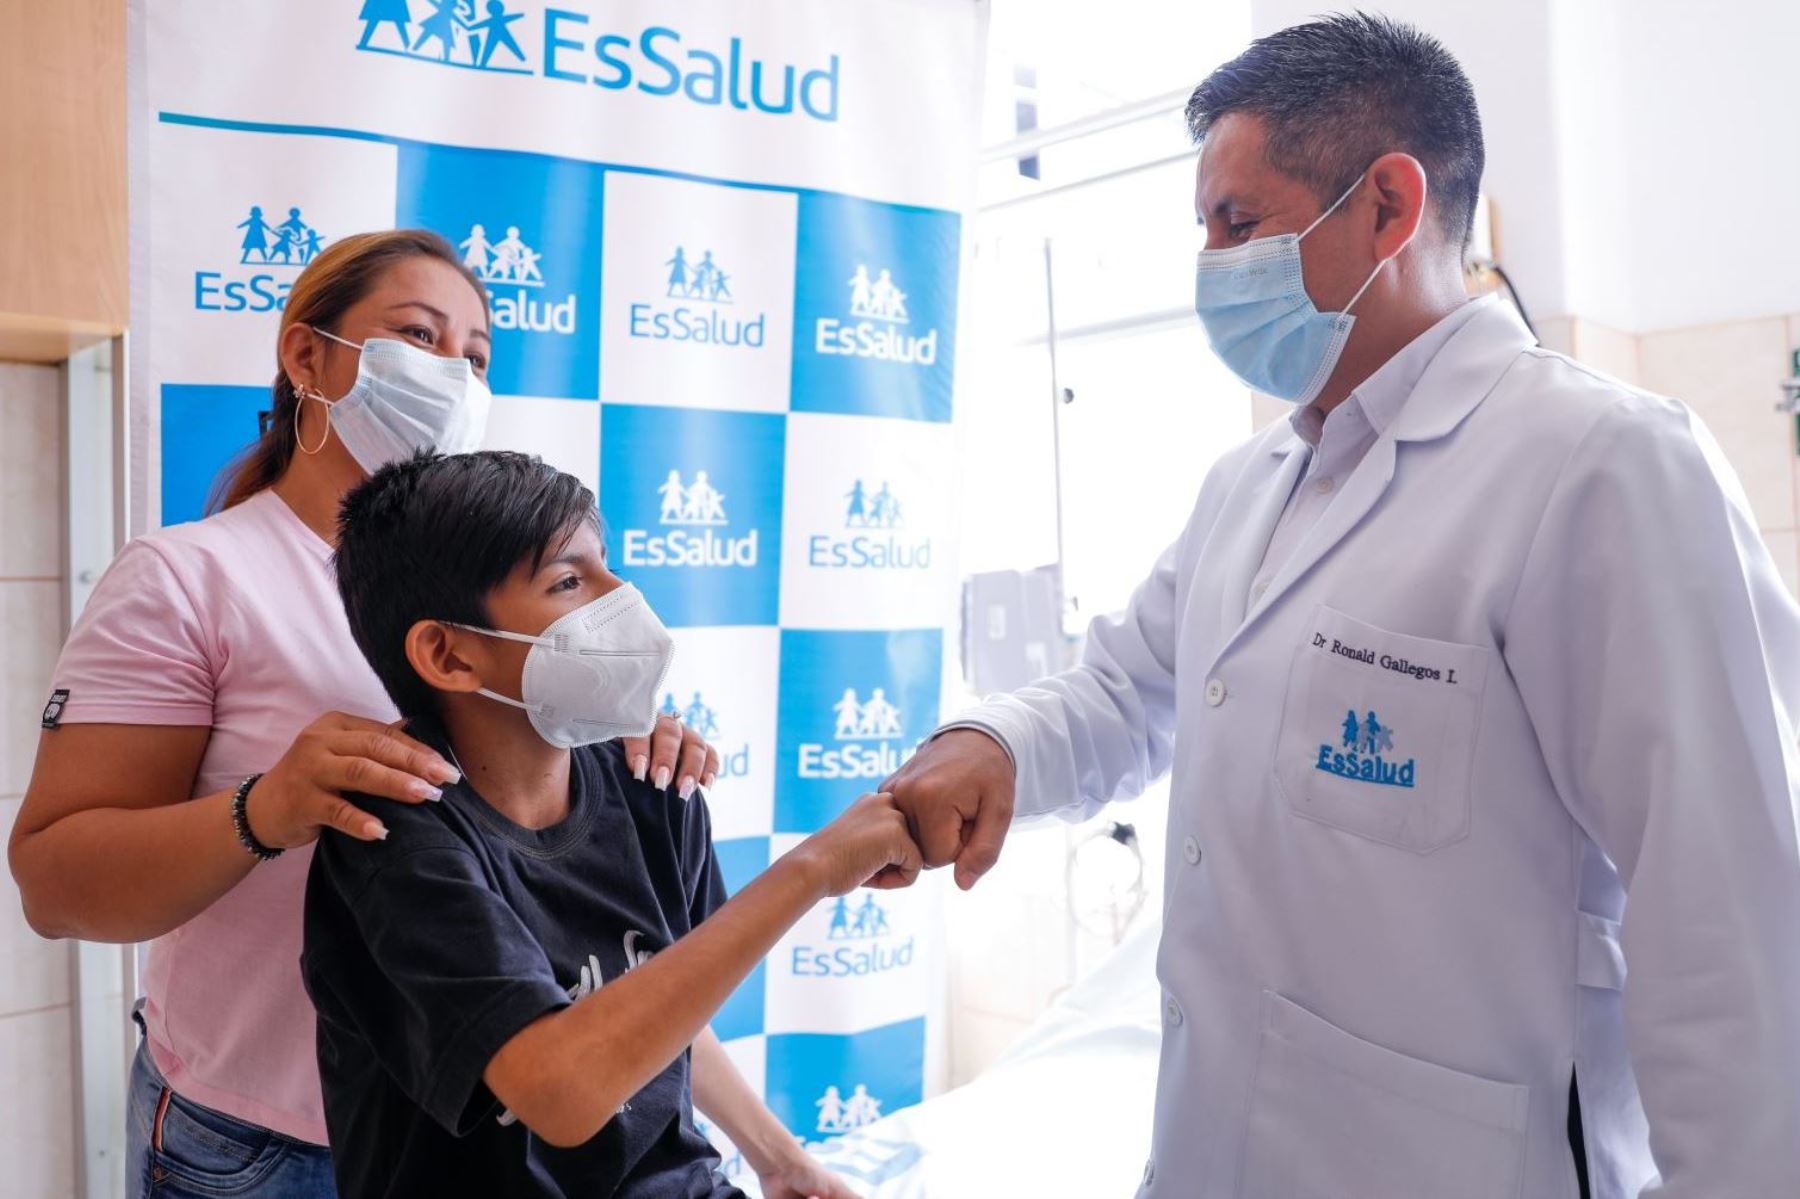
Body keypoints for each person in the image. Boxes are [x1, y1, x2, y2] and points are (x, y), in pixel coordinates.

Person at [883, 14, 1800, 1197]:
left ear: (1387, 206)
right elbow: (1127, 685)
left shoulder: (1600, 467)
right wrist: (994, 740)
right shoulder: (1250, 486)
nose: (1211, 264)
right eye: (1205, 228)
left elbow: (1729, 923)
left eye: (1239, 222)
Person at [7, 230, 716, 1198]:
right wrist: (265, 809)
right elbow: (58, 882)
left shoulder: (512, 590)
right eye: (418, 337)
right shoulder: (189, 579)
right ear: (307, 356)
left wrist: (626, 730)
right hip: (272, 1141)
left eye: (474, 356)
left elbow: (593, 907)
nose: (453, 375)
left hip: (490, 1132)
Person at [308, 449, 912, 1198]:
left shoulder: (653, 783)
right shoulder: (397, 835)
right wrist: (811, 869)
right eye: (569, 582)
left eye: (607, 566)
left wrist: (779, 1158)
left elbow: (660, 1005)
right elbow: (557, 1088)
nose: (622, 596)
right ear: (448, 653)